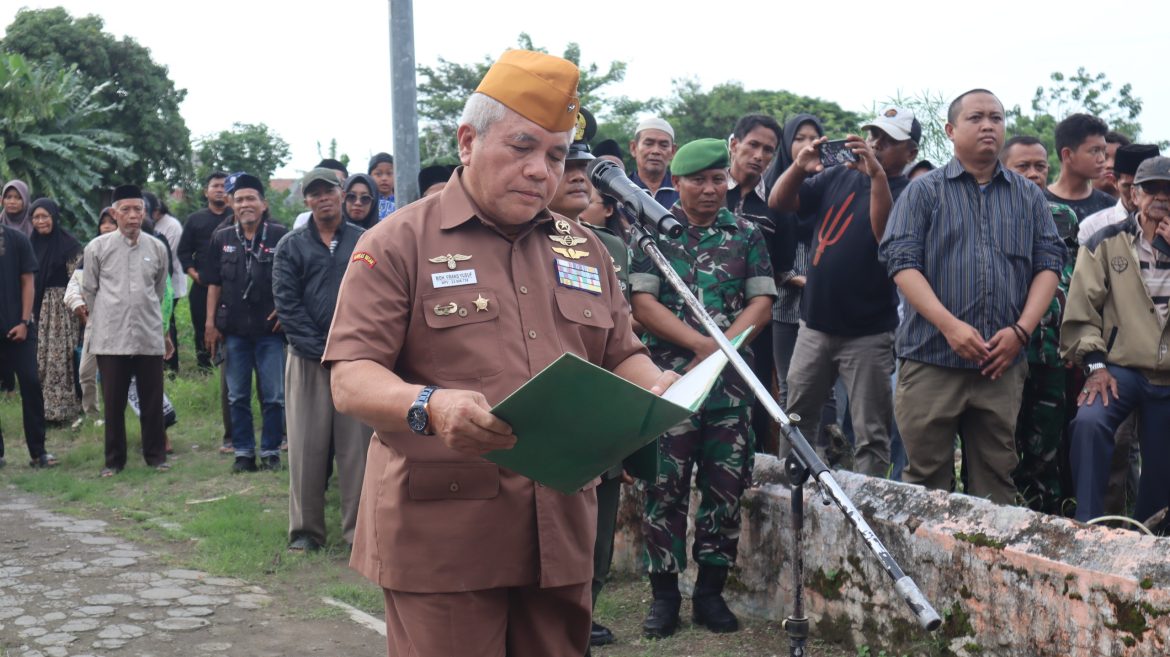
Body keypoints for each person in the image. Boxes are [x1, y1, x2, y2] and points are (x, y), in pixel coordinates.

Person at [324, 49, 676, 657]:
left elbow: (622, 352)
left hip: (559, 527)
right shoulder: (400, 241)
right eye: (521, 147)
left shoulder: (583, 248)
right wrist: (431, 406)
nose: (541, 171)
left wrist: (654, 388)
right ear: (468, 142)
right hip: (445, 533)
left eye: (556, 156)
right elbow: (351, 377)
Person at [879, 89, 1064, 504]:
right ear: (950, 130)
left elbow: (1049, 265)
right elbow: (901, 264)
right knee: (925, 484)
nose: (988, 126)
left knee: (996, 482)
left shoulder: (1028, 196)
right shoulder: (923, 192)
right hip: (931, 358)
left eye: (996, 118)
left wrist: (1021, 331)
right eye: (976, 118)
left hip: (1001, 365)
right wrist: (950, 326)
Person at [631, 138, 776, 638]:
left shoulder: (747, 233)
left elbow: (761, 303)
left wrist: (721, 350)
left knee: (725, 488)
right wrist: (701, 346)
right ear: (678, 181)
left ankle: (711, 593)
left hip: (730, 386)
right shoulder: (651, 233)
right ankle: (664, 597)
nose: (711, 189)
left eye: (718, 179)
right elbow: (642, 304)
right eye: (699, 180)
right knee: (664, 487)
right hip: (670, 380)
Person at [772, 107, 920, 477]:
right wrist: (799, 166)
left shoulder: (911, 193)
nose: (876, 144)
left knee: (871, 432)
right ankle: (792, 489)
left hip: (868, 334)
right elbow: (780, 202)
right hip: (814, 326)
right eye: (873, 135)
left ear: (911, 153)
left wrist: (877, 176)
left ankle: (866, 503)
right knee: (797, 419)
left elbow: (884, 235)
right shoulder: (837, 175)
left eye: (889, 140)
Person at [545, 107, 628, 649]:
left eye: (584, 165)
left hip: (600, 417)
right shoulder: (515, 244)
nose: (579, 175)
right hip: (544, 422)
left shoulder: (608, 248)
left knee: (597, 535)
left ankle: (584, 610)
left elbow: (622, 335)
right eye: (566, 164)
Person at [1062, 156, 1170, 523]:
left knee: (1161, 466)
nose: (1161, 196)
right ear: (1134, 194)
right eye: (1152, 188)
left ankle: (1150, 533)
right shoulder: (1106, 242)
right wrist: (1096, 366)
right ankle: (1088, 524)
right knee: (1089, 422)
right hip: (1121, 367)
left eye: (1169, 190)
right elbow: (1081, 312)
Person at [273, 168, 368, 553]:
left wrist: (350, 347)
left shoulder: (365, 241)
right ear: (306, 200)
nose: (322, 198)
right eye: (314, 193)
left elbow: (376, 296)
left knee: (358, 450)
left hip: (357, 359)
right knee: (305, 447)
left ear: (341, 193)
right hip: (306, 360)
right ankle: (305, 531)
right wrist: (320, 349)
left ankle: (360, 532)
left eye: (328, 190)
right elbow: (287, 304)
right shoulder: (290, 246)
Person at [766, 114, 846, 462]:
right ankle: (794, 460)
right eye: (799, 138)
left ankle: (826, 456)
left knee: (826, 388)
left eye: (814, 138)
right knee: (790, 385)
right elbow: (765, 253)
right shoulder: (774, 187)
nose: (807, 144)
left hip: (825, 305)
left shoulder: (831, 187)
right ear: (787, 144)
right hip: (785, 304)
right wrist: (795, 278)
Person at [83, 185, 171, 477]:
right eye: (126, 210)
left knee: (152, 400)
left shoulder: (157, 248)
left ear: (145, 213)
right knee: (114, 403)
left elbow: (158, 290)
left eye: (138, 210)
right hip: (111, 337)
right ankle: (114, 461)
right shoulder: (97, 248)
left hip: (148, 334)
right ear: (114, 213)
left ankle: (156, 457)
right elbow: (90, 290)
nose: (133, 216)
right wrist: (108, 316)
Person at [203, 174, 288, 474]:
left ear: (263, 204)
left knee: (274, 396)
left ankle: (270, 451)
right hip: (234, 331)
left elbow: (293, 279)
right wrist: (210, 323)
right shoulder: (222, 238)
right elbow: (213, 283)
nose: (245, 204)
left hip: (270, 331)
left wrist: (285, 310)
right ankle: (243, 452)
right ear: (232, 205)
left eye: (251, 198)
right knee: (237, 395)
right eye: (239, 200)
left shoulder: (281, 236)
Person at [726, 114, 785, 455]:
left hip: (757, 323)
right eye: (753, 145)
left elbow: (783, 263)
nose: (759, 156)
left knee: (756, 400)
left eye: (768, 150)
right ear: (734, 144)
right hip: (702, 316)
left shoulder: (775, 204)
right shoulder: (708, 190)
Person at [0, 217, 55, 469]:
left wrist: (24, 321)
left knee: (31, 383)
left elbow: (27, 282)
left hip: (19, 328)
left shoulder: (18, 239)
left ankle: (38, 451)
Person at [28, 198, 83, 423]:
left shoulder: (69, 245)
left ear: (54, 217)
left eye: (45, 216)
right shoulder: (29, 244)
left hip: (63, 311)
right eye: (36, 217)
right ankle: (41, 411)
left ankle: (64, 411)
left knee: (61, 360)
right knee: (39, 360)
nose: (41, 221)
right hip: (37, 309)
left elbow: (78, 280)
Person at [64, 208, 118, 427]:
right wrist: (78, 304)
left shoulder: (126, 252)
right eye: (103, 222)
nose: (107, 226)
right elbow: (73, 287)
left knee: (118, 375)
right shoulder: (90, 253)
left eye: (111, 222)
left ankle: (117, 415)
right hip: (95, 323)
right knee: (86, 372)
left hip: (122, 323)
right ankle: (93, 416)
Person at [177, 172, 233, 370]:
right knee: (202, 328)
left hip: (231, 285)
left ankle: (228, 367)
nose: (219, 190)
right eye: (215, 186)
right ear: (206, 192)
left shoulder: (236, 217)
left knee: (231, 329)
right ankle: (204, 369)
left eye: (224, 186)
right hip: (203, 285)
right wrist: (194, 274)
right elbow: (183, 251)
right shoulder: (195, 219)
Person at [1079, 144, 1162, 243]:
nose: (1135, 195)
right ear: (1114, 182)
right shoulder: (1092, 228)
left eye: (1147, 187)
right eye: (1128, 186)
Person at [1045, 113, 1116, 221]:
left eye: (1103, 151)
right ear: (1067, 154)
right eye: (1095, 151)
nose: (1102, 159)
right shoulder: (1036, 203)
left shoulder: (1109, 206)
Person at [144, 191, 186, 372]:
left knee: (166, 323)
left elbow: (165, 266)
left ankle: (169, 366)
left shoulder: (164, 232)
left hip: (165, 287)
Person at [628, 117, 679, 209]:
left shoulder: (682, 191)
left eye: (663, 145)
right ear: (634, 148)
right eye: (648, 144)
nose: (656, 151)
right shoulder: (620, 190)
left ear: (673, 151)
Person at [294, 160, 349, 229]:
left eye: (329, 191)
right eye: (315, 194)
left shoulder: (359, 233)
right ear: (306, 203)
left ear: (343, 195)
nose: (323, 198)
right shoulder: (302, 222)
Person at [1094, 131, 1132, 198]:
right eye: (1104, 157)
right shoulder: (1073, 202)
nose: (1110, 165)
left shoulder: (1142, 204)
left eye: (1118, 159)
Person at [369, 152, 396, 219]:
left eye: (389, 173)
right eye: (378, 174)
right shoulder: (367, 201)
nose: (384, 178)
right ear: (370, 176)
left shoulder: (402, 201)